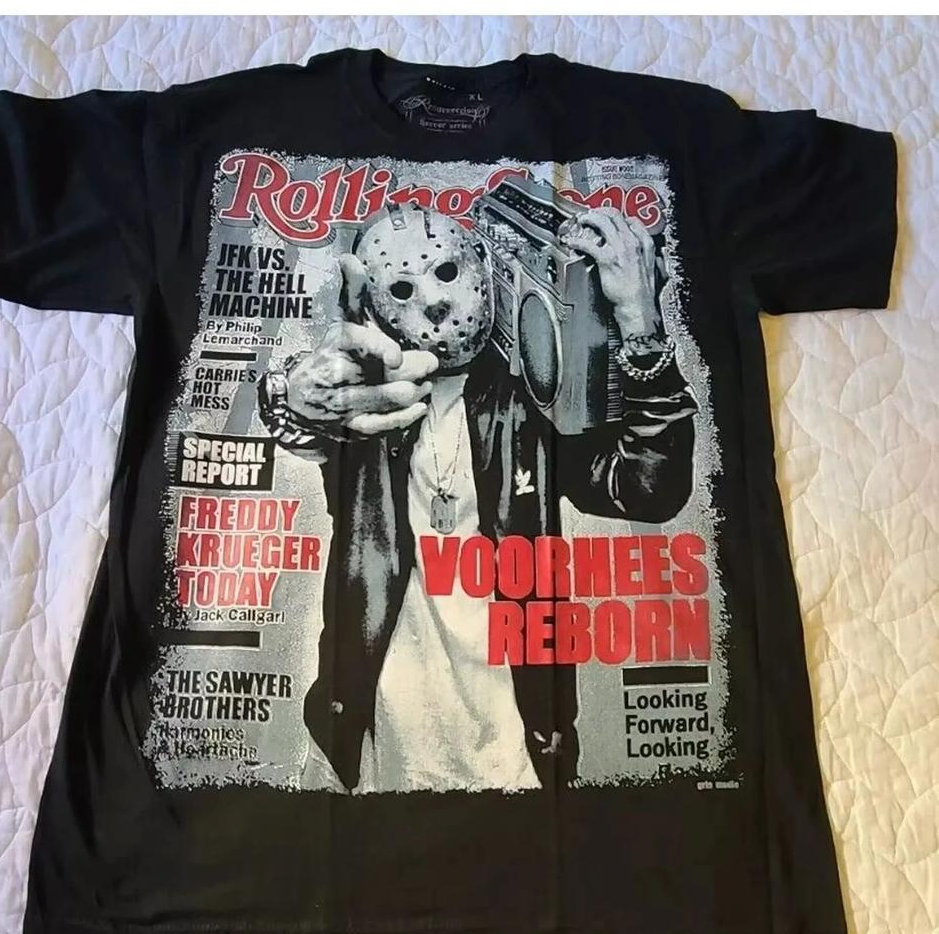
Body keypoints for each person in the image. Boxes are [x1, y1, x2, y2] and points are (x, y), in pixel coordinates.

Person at [257, 197, 699, 794]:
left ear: (483, 268)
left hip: (516, 745)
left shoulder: (534, 395)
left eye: (446, 272)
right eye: (403, 290)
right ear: (376, 307)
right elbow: (306, 421)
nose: (436, 303)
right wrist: (289, 391)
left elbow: (649, 491)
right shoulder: (366, 401)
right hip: (370, 741)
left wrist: (640, 325)